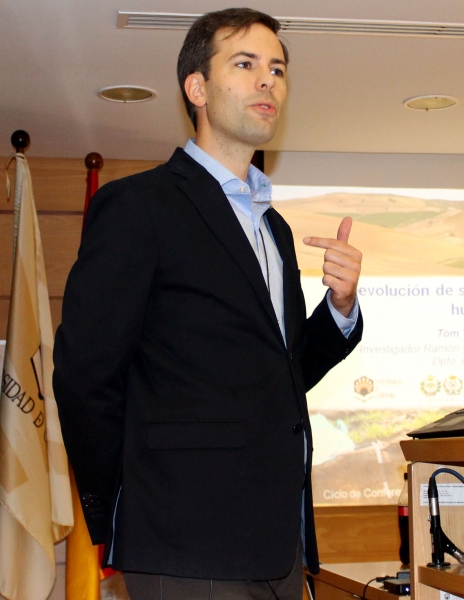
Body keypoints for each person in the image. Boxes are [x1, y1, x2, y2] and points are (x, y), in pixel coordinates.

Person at [53, 8, 362, 599]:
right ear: (196, 88)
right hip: (181, 538)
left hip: (279, 542)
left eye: (276, 68)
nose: (267, 79)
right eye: (244, 64)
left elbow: (285, 373)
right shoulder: (138, 206)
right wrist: (126, 501)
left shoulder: (273, 230)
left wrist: (340, 308)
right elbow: (86, 374)